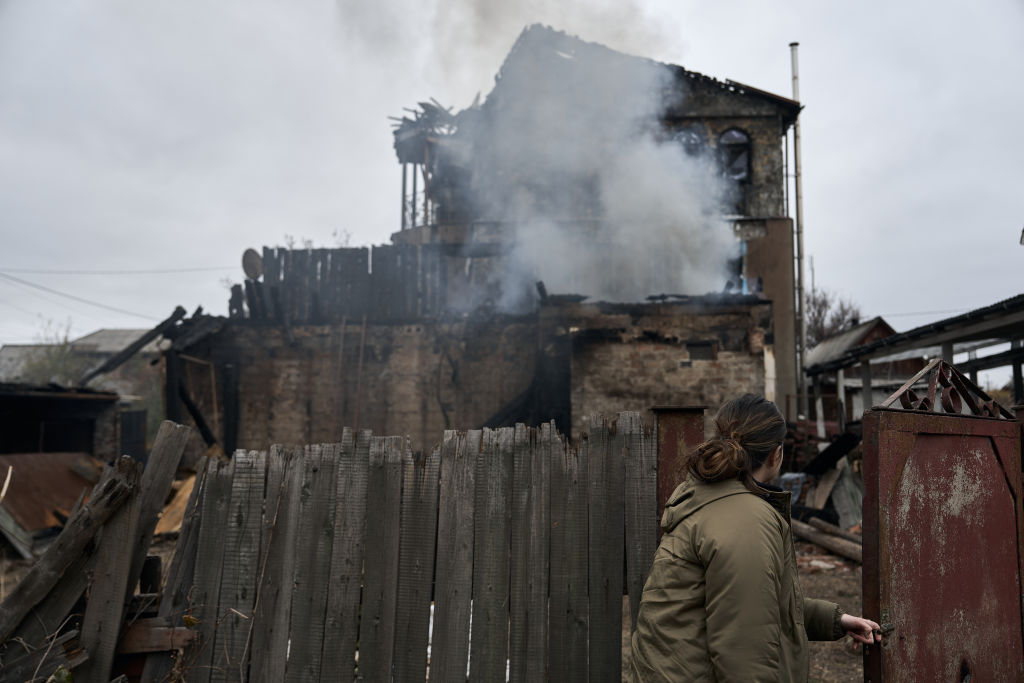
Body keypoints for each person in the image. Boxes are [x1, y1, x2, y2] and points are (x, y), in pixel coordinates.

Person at [628, 394, 880, 681]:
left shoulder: (709, 496)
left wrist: (835, 621)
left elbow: (757, 602)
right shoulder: (745, 519)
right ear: (776, 453)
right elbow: (745, 649)